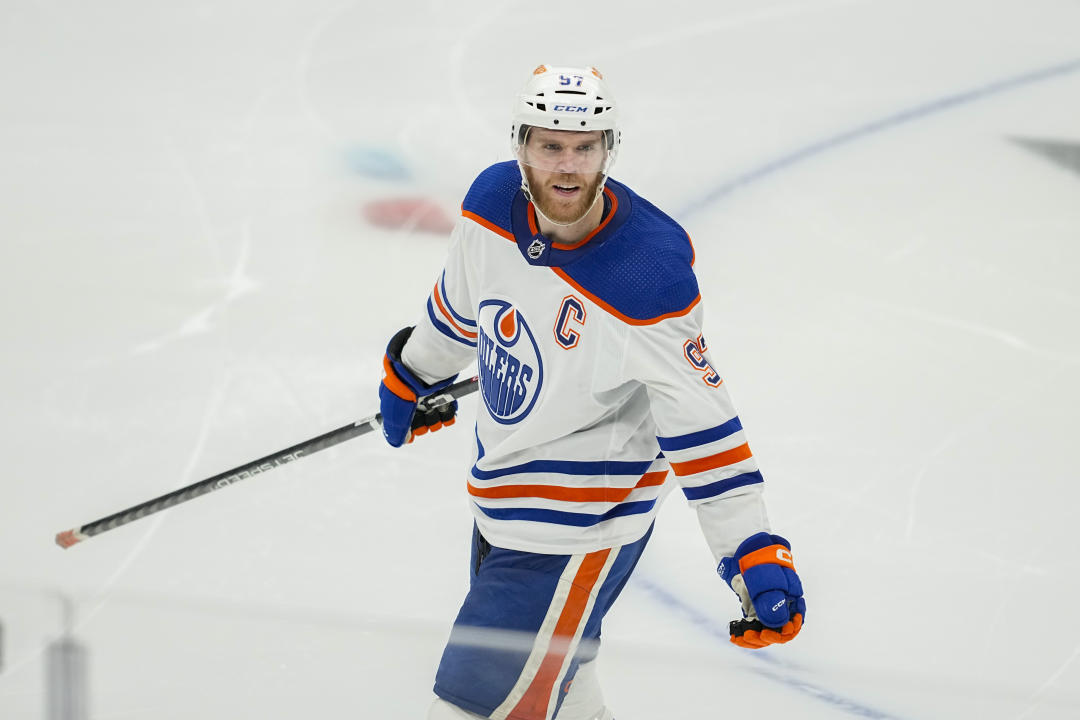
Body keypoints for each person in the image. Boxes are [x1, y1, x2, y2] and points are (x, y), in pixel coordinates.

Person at [377, 65, 806, 720]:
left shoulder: (646, 275)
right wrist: (412, 372)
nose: (569, 165)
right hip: (499, 498)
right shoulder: (490, 207)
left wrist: (750, 549)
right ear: (519, 144)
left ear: (610, 148)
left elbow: (701, 425)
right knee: (561, 683)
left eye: (586, 146)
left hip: (579, 525)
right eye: (551, 145)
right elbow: (458, 309)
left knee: (473, 705)